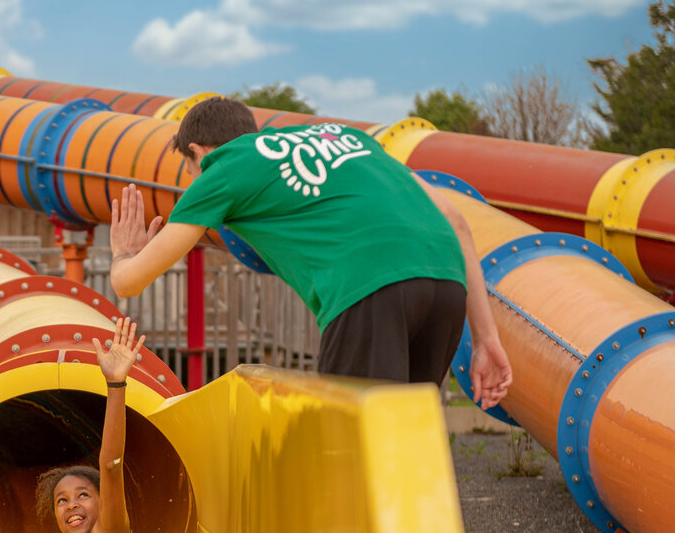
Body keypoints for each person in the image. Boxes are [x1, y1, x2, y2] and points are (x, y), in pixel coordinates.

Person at [109, 96, 512, 408]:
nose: (196, 179)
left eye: (192, 170)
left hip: (368, 287)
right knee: (407, 441)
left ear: (198, 152)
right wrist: (485, 339)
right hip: (445, 284)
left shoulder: (223, 167)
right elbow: (457, 221)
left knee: (349, 449)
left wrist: (124, 255)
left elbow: (130, 282)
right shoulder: (344, 136)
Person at [34, 316, 195, 533]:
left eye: (83, 495)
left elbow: (110, 465)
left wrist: (116, 385)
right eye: (61, 501)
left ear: (104, 503)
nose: (71, 505)